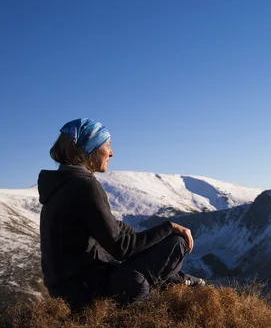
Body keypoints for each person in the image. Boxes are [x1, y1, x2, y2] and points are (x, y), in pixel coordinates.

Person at [38, 118, 205, 310]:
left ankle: (178, 280)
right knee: (177, 243)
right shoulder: (84, 185)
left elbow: (112, 226)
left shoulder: (62, 185)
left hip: (68, 290)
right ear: (89, 148)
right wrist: (169, 227)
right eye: (107, 145)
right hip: (88, 292)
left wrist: (150, 240)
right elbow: (121, 248)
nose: (111, 152)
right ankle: (178, 283)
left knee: (158, 251)